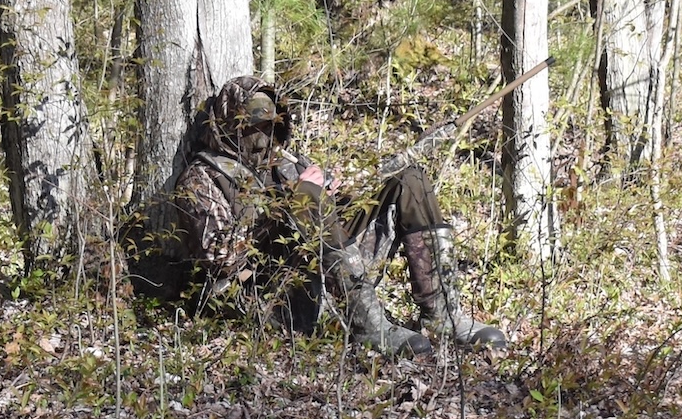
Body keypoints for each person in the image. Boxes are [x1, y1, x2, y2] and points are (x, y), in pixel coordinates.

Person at [126, 78, 505, 355]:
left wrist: (337, 195)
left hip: (324, 274)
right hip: (267, 295)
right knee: (309, 197)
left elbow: (327, 221)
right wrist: (296, 200)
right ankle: (369, 329)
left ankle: (445, 315)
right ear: (230, 125)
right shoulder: (203, 177)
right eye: (252, 128)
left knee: (410, 181)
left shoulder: (287, 162)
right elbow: (220, 260)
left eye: (269, 127)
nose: (263, 138)